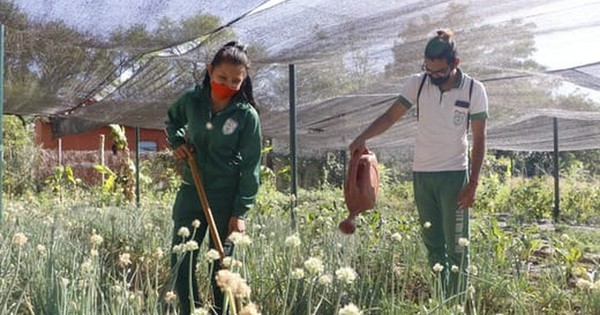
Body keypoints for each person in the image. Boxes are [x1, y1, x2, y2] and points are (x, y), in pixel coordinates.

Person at [349, 29, 488, 302]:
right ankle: (442, 299)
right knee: (433, 244)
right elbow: (390, 117)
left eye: (439, 71)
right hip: (423, 175)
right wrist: (362, 136)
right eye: (428, 69)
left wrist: (472, 183)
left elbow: (480, 138)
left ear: (455, 63)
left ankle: (457, 303)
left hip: (454, 177)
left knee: (458, 246)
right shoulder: (419, 83)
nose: (433, 76)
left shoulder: (474, 89)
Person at [165, 41, 262, 315]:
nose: (228, 85)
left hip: (225, 196)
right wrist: (177, 143)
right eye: (222, 78)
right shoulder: (192, 101)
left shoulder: (246, 116)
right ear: (210, 71)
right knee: (182, 258)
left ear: (243, 81)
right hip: (190, 189)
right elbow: (172, 121)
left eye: (235, 81)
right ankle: (189, 310)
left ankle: (221, 312)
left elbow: (251, 166)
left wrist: (240, 211)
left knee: (221, 265)